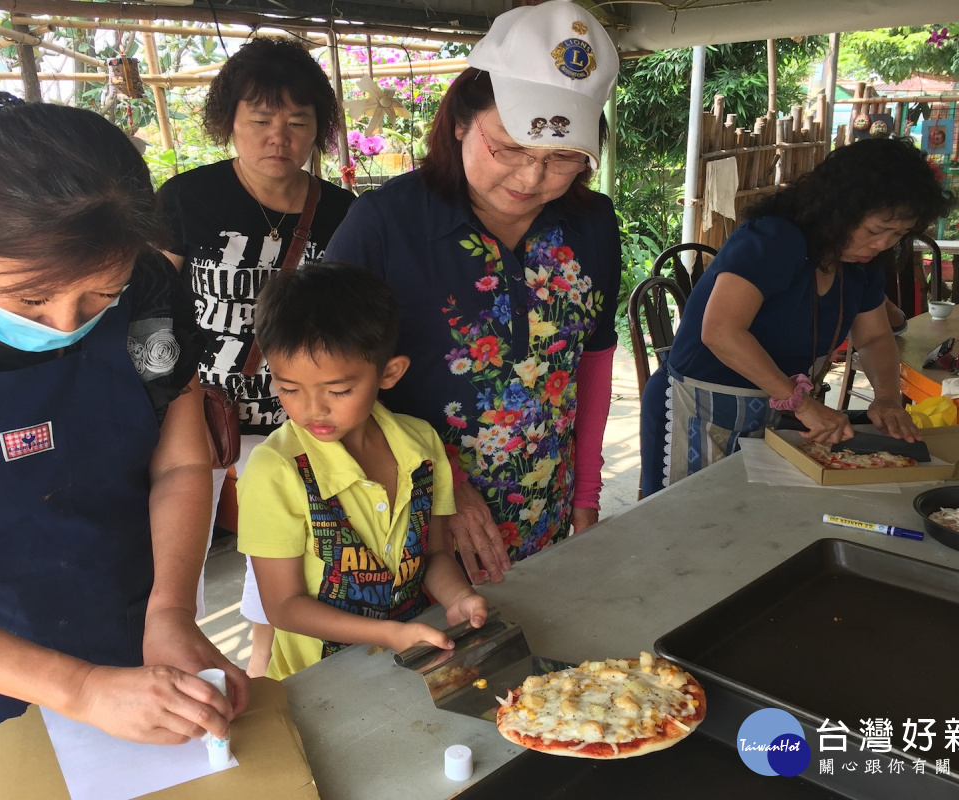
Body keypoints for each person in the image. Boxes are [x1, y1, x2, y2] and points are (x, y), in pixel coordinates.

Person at [0, 92, 248, 800]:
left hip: (134, 615)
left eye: (99, 297)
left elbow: (182, 460)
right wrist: (81, 689)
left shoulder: (149, 290)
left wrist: (172, 612)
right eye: (30, 298)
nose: (66, 324)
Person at [326, 0, 622, 583]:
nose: (532, 178)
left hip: (544, 507)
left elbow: (594, 360)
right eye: (509, 148)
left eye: (563, 157)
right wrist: (444, 484)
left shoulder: (591, 224)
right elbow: (323, 380)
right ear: (461, 120)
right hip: (408, 515)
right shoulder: (384, 225)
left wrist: (585, 494)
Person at [156, 37, 355, 677]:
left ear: (318, 130)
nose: (280, 137)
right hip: (197, 410)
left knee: (282, 546)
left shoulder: (343, 213)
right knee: (173, 551)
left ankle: (265, 666)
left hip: (295, 414)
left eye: (298, 122)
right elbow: (151, 304)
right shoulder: (188, 199)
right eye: (261, 120)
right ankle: (173, 663)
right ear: (230, 124)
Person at [639, 137, 954, 497]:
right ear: (840, 209)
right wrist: (802, 404)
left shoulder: (859, 267)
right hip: (699, 405)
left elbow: (874, 337)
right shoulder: (775, 239)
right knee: (687, 524)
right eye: (874, 231)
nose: (882, 245)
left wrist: (886, 398)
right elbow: (722, 331)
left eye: (897, 235)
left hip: (771, 412)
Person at [234, 264, 489, 679]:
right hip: (316, 680)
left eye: (337, 391)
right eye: (289, 389)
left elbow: (434, 555)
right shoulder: (275, 470)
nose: (312, 409)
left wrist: (458, 596)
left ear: (389, 373)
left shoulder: (422, 446)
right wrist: (388, 634)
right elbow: (283, 606)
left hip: (408, 661)